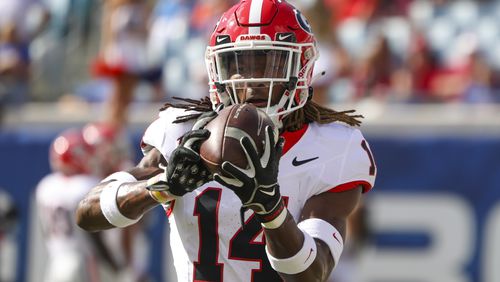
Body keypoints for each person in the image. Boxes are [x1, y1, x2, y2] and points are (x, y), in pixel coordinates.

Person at [76, 0, 377, 281]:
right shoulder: (183, 129)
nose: (254, 80)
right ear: (217, 70)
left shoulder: (334, 146)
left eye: (270, 63)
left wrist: (269, 208)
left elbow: (312, 273)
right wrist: (162, 186)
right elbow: (87, 213)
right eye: (240, 65)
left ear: (302, 69)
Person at [35, 124, 142, 282]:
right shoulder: (86, 185)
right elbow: (94, 235)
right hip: (83, 261)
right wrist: (115, 266)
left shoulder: (45, 186)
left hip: (56, 259)